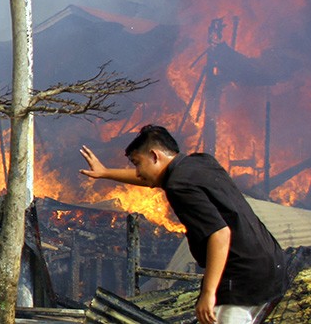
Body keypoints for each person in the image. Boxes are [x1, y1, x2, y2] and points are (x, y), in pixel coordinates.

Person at [79, 124, 287, 324]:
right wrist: (106, 173)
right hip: (269, 264)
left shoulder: (179, 186)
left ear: (154, 155)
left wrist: (208, 292)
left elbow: (220, 234)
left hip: (240, 276)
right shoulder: (200, 162)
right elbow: (152, 178)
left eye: (137, 163)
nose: (137, 172)